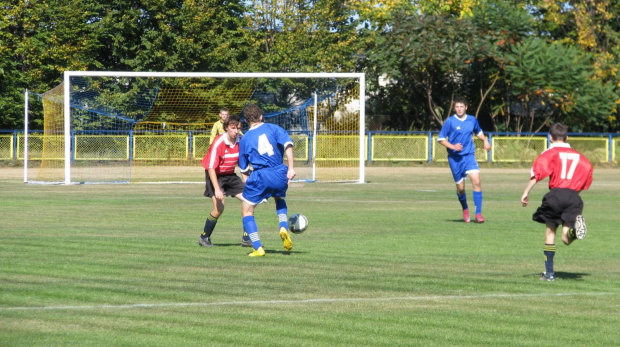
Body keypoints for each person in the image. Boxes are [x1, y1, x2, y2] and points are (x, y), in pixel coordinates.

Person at [521, 123, 593, 282]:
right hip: (574, 196)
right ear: (567, 137)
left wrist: (526, 192)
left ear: (550, 137)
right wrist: (573, 194)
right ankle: (575, 232)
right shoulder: (579, 156)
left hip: (556, 195)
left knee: (550, 232)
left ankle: (549, 274)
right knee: (566, 239)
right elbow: (587, 172)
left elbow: (537, 172)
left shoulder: (550, 152)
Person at [238, 104, 296, 257]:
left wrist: (250, 184)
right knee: (280, 197)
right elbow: (288, 145)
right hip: (279, 171)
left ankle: (258, 247)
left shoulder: (244, 139)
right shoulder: (274, 128)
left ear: (246, 120)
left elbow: (243, 168)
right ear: (261, 116)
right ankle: (283, 226)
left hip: (260, 175)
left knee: (247, 211)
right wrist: (290, 168)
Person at [199, 114, 252, 247]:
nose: (236, 131)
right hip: (215, 175)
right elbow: (211, 168)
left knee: (249, 200)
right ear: (226, 128)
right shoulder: (219, 142)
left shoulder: (242, 140)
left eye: (238, 128)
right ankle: (204, 238)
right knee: (219, 208)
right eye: (233, 128)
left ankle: (246, 239)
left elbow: (243, 163)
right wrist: (217, 189)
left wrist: (246, 178)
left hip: (230, 175)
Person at [438, 97, 491, 223]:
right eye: (457, 107)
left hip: (469, 156)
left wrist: (485, 140)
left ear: (466, 107)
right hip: (455, 159)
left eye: (461, 106)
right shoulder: (450, 121)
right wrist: (453, 146)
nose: (459, 109)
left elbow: (478, 131)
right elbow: (440, 139)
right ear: (454, 108)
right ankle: (465, 208)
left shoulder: (472, 120)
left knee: (476, 181)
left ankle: (478, 214)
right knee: (460, 188)